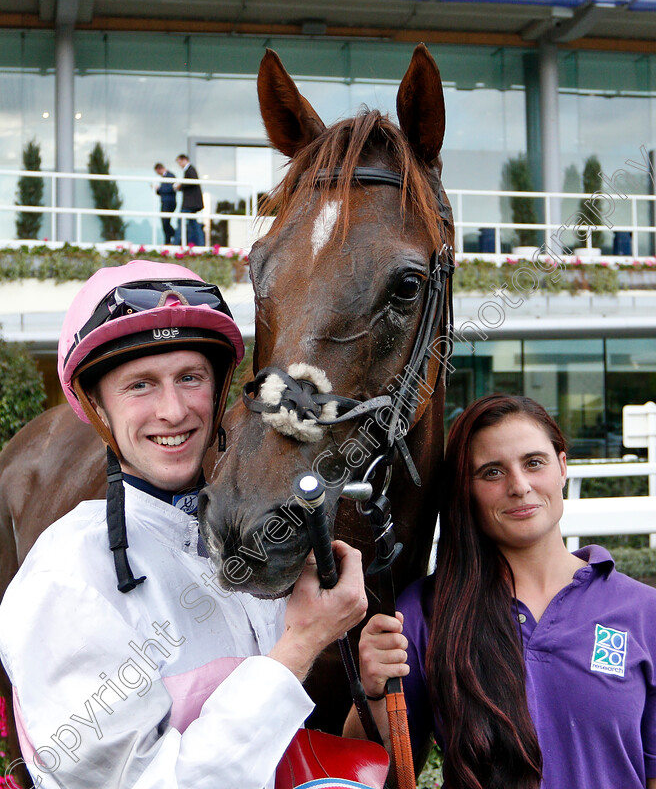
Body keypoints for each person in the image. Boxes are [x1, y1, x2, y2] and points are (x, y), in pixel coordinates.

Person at [0, 260, 368, 789]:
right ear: (97, 406)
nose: (172, 410)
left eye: (190, 378)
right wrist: (301, 643)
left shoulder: (236, 541)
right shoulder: (65, 580)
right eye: (140, 385)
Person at [346, 393, 656, 789]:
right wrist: (374, 691)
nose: (520, 486)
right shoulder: (426, 612)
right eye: (492, 472)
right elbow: (366, 771)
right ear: (466, 490)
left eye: (534, 462)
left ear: (562, 466)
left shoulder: (643, 611)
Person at [174, 154, 205, 246]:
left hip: (190, 203)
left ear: (184, 160)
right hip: (192, 203)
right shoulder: (190, 170)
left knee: (181, 222)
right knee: (194, 224)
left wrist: (180, 185)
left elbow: (192, 181)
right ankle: (200, 244)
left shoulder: (190, 169)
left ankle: (175, 244)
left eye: (179, 162)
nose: (179, 165)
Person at [153, 163, 177, 244]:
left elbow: (170, 189)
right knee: (165, 223)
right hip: (165, 202)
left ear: (159, 169)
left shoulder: (170, 176)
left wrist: (160, 189)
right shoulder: (164, 177)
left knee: (165, 223)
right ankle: (168, 241)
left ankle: (177, 236)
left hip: (169, 203)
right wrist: (158, 190)